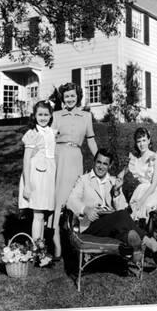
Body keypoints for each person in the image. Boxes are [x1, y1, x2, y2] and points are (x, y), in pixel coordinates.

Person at [67, 149, 157, 263]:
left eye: (105, 164)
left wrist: (117, 192)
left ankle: (135, 246)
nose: (101, 167)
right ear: (94, 162)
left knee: (126, 229)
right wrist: (86, 209)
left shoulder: (114, 181)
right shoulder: (84, 180)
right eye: (99, 162)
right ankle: (152, 246)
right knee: (121, 216)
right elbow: (71, 200)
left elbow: (122, 208)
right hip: (91, 225)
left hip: (112, 224)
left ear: (110, 165)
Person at [51, 82, 98, 259]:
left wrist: (99, 158)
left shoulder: (86, 116)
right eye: (66, 96)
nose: (69, 99)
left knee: (77, 199)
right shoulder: (56, 115)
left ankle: (79, 244)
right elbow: (49, 140)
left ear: (78, 96)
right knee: (58, 202)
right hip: (59, 158)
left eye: (72, 95)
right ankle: (57, 247)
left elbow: (91, 140)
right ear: (62, 98)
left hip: (76, 158)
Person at [18, 100, 56, 241]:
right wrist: (27, 185)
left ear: (51, 115)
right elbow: (26, 160)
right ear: (34, 116)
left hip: (48, 177)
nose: (43, 118)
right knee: (38, 214)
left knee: (42, 215)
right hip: (36, 178)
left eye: (46, 114)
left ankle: (40, 247)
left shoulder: (52, 132)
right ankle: (37, 248)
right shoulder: (32, 134)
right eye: (40, 114)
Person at [125, 127, 157, 223]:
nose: (141, 144)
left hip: (155, 191)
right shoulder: (136, 160)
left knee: (145, 209)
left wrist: (141, 201)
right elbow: (125, 171)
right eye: (139, 141)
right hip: (142, 190)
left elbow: (154, 183)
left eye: (144, 140)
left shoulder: (155, 157)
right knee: (134, 214)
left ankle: (150, 232)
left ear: (149, 140)